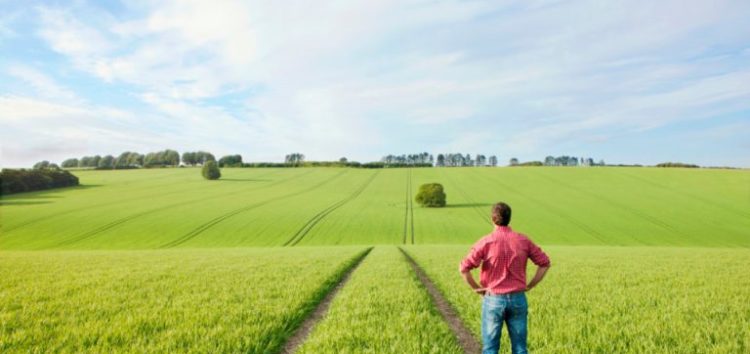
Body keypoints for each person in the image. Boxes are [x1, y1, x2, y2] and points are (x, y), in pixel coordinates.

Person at [459, 202, 551, 354]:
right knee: (520, 349)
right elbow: (545, 263)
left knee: (490, 349)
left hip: (493, 299)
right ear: (509, 218)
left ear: (493, 219)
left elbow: (464, 268)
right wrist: (531, 285)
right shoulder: (523, 240)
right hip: (518, 299)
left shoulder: (486, 241)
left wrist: (477, 289)